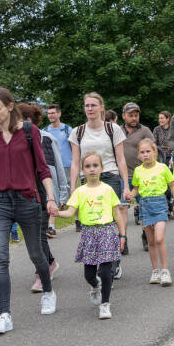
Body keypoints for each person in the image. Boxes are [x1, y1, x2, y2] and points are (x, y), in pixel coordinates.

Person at [0, 88, 58, 335]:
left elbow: (42, 168)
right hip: (0, 201)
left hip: (27, 199)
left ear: (9, 106)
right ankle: (4, 314)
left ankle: (48, 291)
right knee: (1, 258)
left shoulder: (28, 131)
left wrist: (51, 198)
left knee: (36, 254)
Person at [57, 152, 125, 320]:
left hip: (107, 232)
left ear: (101, 168)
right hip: (88, 234)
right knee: (89, 274)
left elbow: (117, 214)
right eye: (88, 166)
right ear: (83, 171)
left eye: (95, 166)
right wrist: (57, 212)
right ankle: (95, 287)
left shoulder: (107, 189)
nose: (92, 169)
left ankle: (105, 304)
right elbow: (70, 212)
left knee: (105, 271)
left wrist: (122, 236)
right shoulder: (80, 191)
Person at [68, 93, 131, 266]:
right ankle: (96, 259)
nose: (90, 109)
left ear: (101, 107)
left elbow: (121, 159)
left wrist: (126, 185)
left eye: (93, 105)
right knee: (92, 219)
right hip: (87, 179)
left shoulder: (112, 129)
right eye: (87, 105)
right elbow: (75, 162)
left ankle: (113, 261)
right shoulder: (78, 132)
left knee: (110, 219)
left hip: (109, 175)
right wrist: (72, 187)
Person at [18, 103, 65, 291]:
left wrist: (61, 194)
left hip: (45, 193)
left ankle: (41, 274)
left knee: (39, 235)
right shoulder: (13, 139)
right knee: (35, 236)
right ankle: (50, 262)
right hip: (26, 194)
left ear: (28, 120)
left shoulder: (47, 138)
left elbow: (58, 167)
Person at [128, 139, 174, 285]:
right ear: (138, 155)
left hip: (160, 204)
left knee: (159, 238)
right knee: (151, 241)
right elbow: (136, 188)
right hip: (144, 205)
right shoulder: (138, 170)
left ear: (154, 152)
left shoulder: (162, 168)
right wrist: (130, 196)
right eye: (142, 152)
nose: (145, 155)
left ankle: (165, 271)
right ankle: (155, 270)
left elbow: (173, 185)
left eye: (148, 151)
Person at [121, 102, 154, 250]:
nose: (134, 118)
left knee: (145, 206)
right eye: (131, 115)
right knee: (122, 208)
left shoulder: (145, 131)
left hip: (142, 174)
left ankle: (146, 234)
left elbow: (153, 151)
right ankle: (123, 239)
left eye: (136, 115)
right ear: (124, 116)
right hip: (123, 175)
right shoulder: (117, 131)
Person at [44, 104, 73, 237]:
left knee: (71, 194)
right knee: (53, 195)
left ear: (59, 114)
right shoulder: (45, 131)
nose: (51, 115)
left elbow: (75, 148)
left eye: (53, 113)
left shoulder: (67, 130)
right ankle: (51, 226)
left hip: (68, 166)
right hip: (52, 167)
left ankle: (78, 220)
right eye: (49, 113)